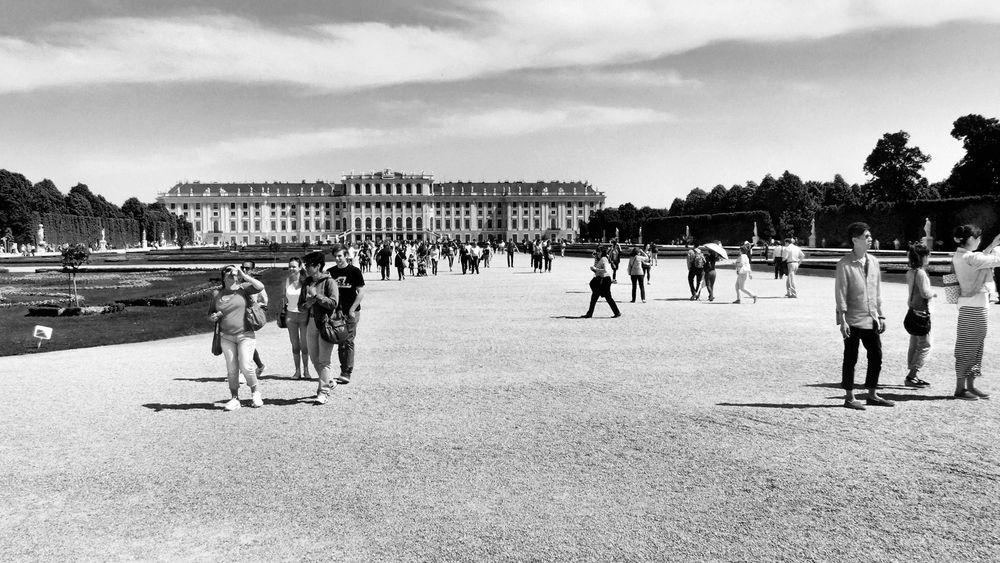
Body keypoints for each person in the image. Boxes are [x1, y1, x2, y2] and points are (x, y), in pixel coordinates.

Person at [835, 222, 893, 410]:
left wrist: (881, 315)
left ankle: (872, 393)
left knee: (876, 355)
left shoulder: (874, 261)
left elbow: (877, 291)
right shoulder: (844, 264)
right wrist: (842, 320)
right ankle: (849, 396)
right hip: (852, 319)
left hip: (871, 318)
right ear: (855, 240)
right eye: (866, 236)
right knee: (851, 358)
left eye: (869, 236)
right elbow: (841, 293)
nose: (870, 239)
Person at [951, 224, 1000, 400]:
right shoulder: (970, 258)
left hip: (972, 306)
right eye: (978, 238)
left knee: (975, 347)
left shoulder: (963, 256)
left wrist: (992, 245)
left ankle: (969, 386)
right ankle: (960, 388)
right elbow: (995, 260)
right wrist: (995, 248)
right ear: (970, 239)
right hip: (974, 307)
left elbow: (981, 257)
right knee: (969, 348)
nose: (980, 241)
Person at [208, 264, 266, 411]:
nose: (231, 273)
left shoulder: (243, 288)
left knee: (246, 365)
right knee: (232, 369)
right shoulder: (217, 294)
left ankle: (255, 393)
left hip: (245, 334)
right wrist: (214, 317)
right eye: (227, 271)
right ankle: (234, 398)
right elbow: (210, 314)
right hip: (226, 336)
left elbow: (260, 287)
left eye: (233, 271)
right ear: (223, 276)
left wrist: (244, 275)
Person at [300, 251, 340, 404]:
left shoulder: (330, 282)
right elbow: (301, 306)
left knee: (324, 360)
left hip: (325, 323)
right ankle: (328, 381)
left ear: (317, 266)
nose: (306, 268)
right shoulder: (307, 282)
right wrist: (307, 304)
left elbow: (333, 303)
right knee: (313, 358)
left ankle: (322, 392)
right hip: (311, 322)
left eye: (308, 265)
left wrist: (316, 297)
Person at [327, 245, 365, 386]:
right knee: (339, 340)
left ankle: (346, 372)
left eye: (340, 256)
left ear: (346, 256)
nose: (337, 259)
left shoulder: (354, 271)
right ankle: (341, 370)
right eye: (336, 256)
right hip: (336, 312)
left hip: (351, 311)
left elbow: (360, 292)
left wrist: (352, 309)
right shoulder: (330, 272)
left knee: (347, 340)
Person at [904, 243, 934, 388]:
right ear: (922, 257)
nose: (929, 258)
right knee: (925, 345)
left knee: (914, 343)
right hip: (921, 313)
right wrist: (933, 293)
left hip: (911, 311)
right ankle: (913, 375)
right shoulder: (921, 273)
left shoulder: (910, 272)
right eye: (928, 255)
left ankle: (911, 371)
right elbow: (925, 293)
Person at [281, 257, 311, 380]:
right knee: (295, 345)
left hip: (303, 315)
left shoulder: (306, 282)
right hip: (290, 316)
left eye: (294, 266)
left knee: (304, 344)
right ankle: (297, 371)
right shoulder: (286, 281)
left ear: (300, 267)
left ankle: (306, 370)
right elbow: (284, 298)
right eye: (290, 266)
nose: (291, 269)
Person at [241, 260, 268, 377]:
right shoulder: (238, 282)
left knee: (245, 343)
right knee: (246, 344)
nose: (245, 270)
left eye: (247, 268)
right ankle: (260, 365)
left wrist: (258, 306)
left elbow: (265, 300)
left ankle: (243, 372)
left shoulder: (255, 284)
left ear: (253, 270)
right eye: (243, 268)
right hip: (238, 316)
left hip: (249, 317)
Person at [582, 246, 621, 318]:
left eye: (599, 252)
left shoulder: (604, 259)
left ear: (602, 252)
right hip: (602, 279)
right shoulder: (602, 259)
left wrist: (595, 269)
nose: (597, 253)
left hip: (604, 280)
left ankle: (590, 313)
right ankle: (616, 312)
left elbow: (605, 270)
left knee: (604, 297)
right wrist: (594, 270)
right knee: (598, 297)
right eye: (597, 252)